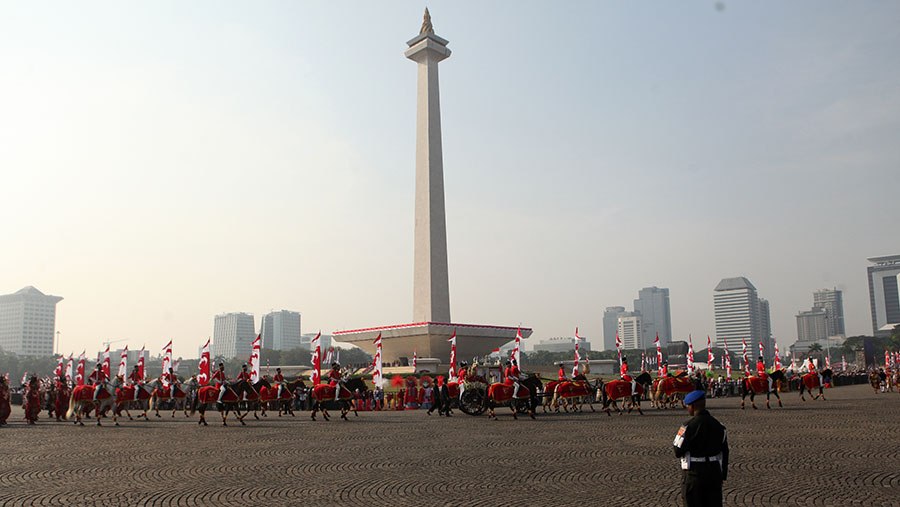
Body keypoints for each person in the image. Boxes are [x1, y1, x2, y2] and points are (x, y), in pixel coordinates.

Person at [673, 390, 728, 507]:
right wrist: (723, 475)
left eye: (688, 406)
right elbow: (725, 452)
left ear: (692, 406)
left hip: (694, 473)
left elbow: (678, 450)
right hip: (714, 472)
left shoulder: (688, 426)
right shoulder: (719, 425)